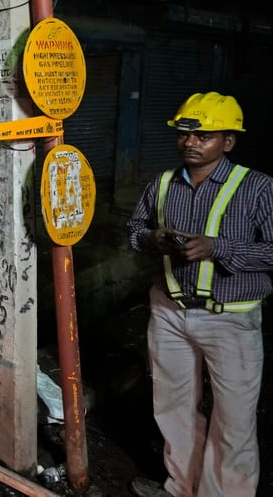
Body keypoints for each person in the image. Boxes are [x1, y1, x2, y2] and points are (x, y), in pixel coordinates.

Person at [127, 91, 273, 497]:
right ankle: (182, 488)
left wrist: (217, 247)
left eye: (203, 136)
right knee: (173, 409)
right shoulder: (162, 184)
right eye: (185, 135)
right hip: (169, 311)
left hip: (230, 318)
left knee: (234, 420)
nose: (190, 143)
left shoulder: (258, 188)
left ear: (228, 141)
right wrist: (153, 238)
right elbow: (134, 231)